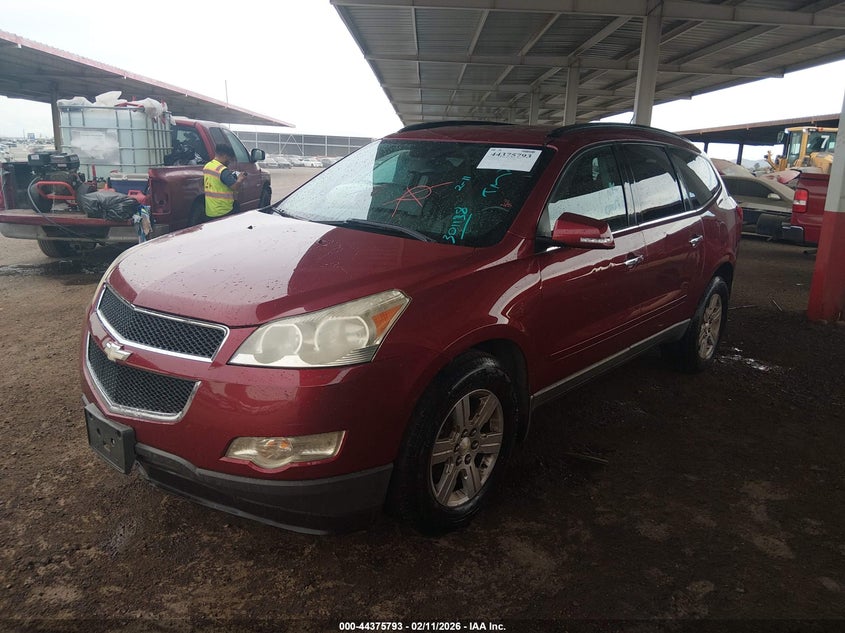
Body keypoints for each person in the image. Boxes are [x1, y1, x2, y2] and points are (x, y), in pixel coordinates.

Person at [203, 143, 247, 219]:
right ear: (225, 156)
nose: (229, 161)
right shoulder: (223, 170)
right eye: (229, 159)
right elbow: (235, 187)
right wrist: (240, 179)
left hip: (210, 210)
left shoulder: (208, 166)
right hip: (224, 210)